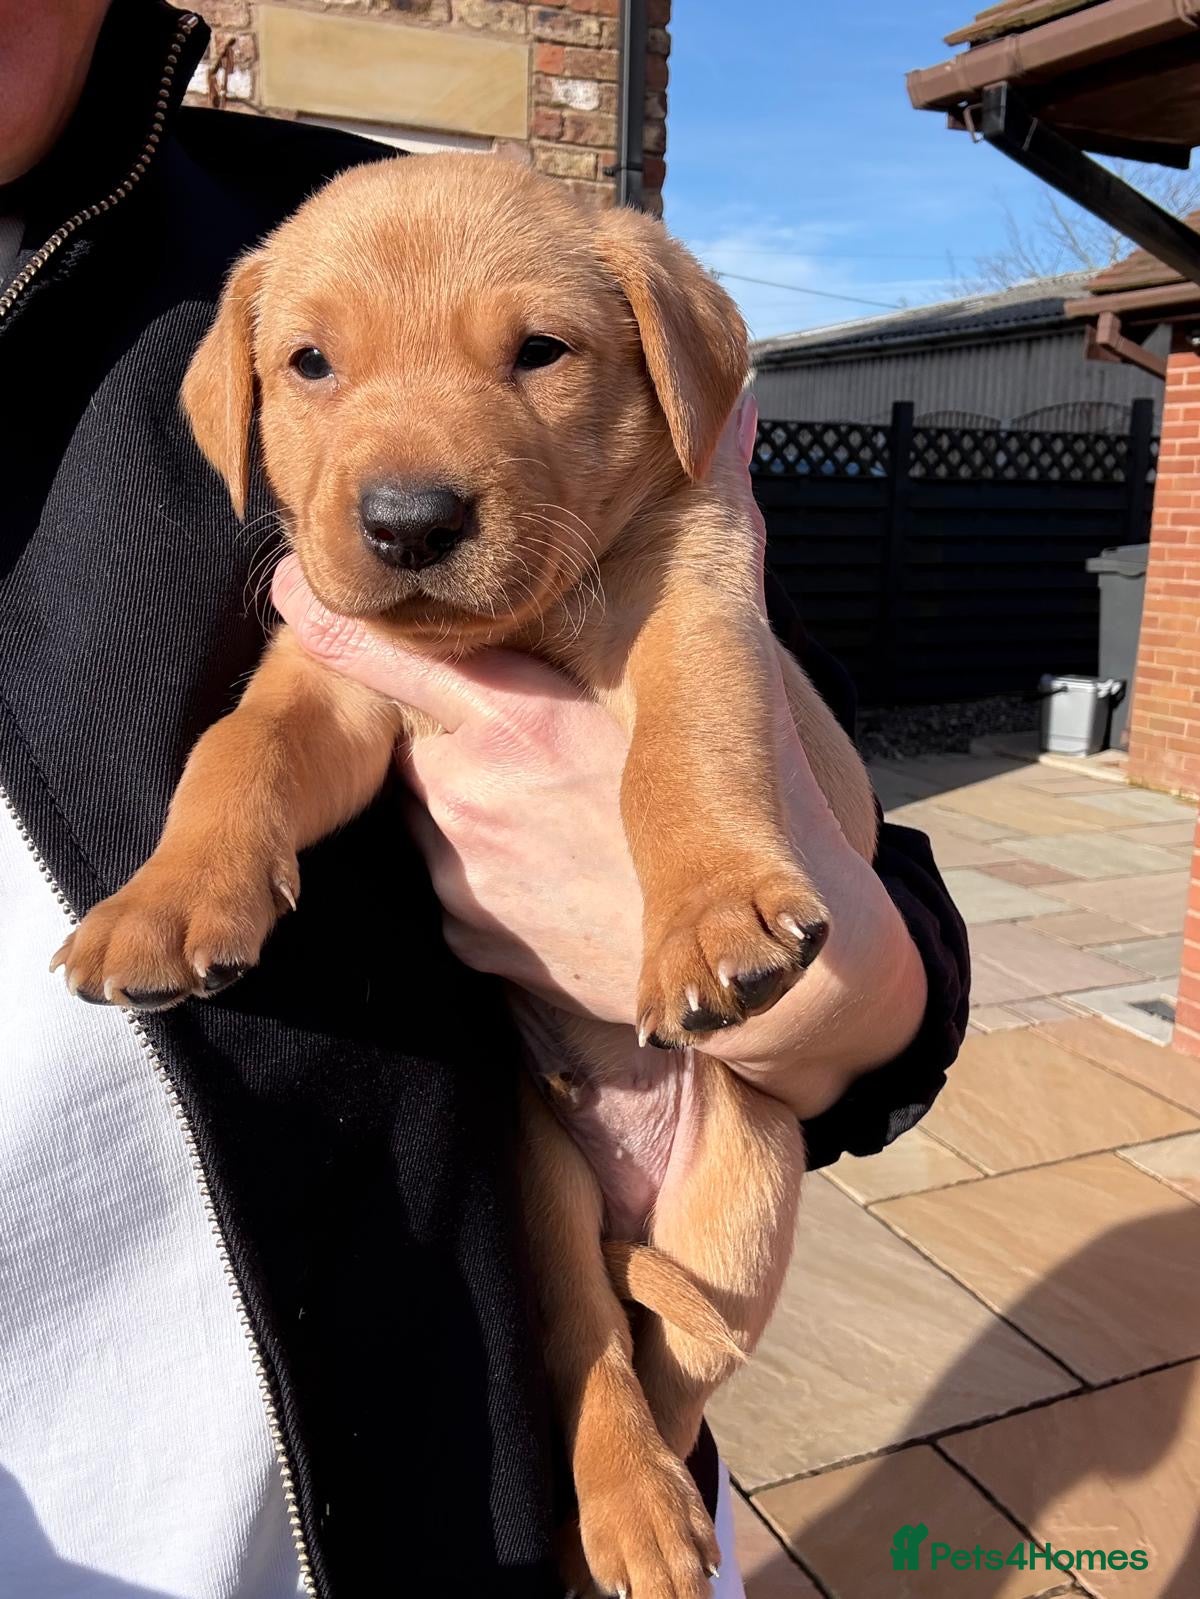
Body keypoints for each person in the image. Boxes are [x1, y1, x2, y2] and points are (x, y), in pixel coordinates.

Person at [0, 2, 969, 1595]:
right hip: (425, 1268)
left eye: (535, 353)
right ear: (242, 405)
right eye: (313, 370)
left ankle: (642, 1438)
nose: (412, 474)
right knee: (554, 1241)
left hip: (705, 1120)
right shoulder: (260, 339)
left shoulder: (331, 231)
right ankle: (606, 1435)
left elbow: (714, 674)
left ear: (674, 372)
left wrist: (775, 935)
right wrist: (207, 848)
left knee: (719, 1234)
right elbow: (299, 720)